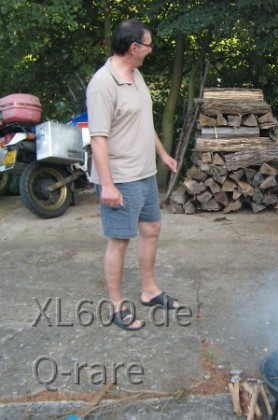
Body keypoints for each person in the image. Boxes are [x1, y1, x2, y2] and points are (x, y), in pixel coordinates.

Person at [87, 19, 182, 330]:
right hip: (121, 177)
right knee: (119, 241)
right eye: (148, 45)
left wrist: (163, 154)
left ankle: (149, 290)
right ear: (134, 48)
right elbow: (98, 138)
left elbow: (144, 122)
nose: (151, 50)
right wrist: (108, 185)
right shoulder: (103, 84)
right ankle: (115, 306)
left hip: (144, 172)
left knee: (152, 228)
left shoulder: (136, 75)